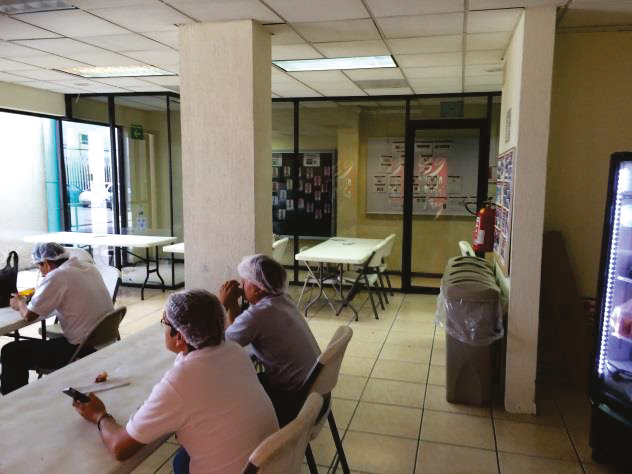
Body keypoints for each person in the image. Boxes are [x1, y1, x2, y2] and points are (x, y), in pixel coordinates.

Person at [73, 289, 278, 474]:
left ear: (179, 337)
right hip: (268, 464)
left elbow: (120, 448)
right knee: (181, 460)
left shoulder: (182, 381)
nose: (162, 328)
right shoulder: (233, 350)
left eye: (165, 323)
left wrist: (99, 415)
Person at [219, 254, 320, 425]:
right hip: (314, 391)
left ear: (258, 289)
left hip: (292, 397)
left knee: (227, 392)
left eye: (244, 281)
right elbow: (238, 332)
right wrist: (235, 304)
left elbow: (221, 345)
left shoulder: (258, 315)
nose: (241, 285)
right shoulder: (283, 299)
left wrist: (223, 305)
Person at [2, 242, 113, 394]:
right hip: (102, 339)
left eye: (39, 267)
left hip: (81, 349)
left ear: (46, 263)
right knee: (36, 346)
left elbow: (29, 315)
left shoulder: (57, 276)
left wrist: (20, 303)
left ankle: (13, 400)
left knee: (11, 351)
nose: (40, 273)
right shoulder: (88, 267)